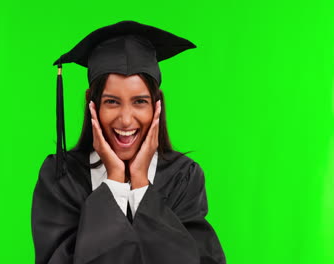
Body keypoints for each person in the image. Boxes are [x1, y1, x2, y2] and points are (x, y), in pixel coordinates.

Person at [31, 21, 226, 264]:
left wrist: (141, 185)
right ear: (92, 103)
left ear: (157, 105)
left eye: (139, 102)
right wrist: (113, 182)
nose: (125, 120)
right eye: (112, 102)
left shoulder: (183, 177)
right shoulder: (61, 177)